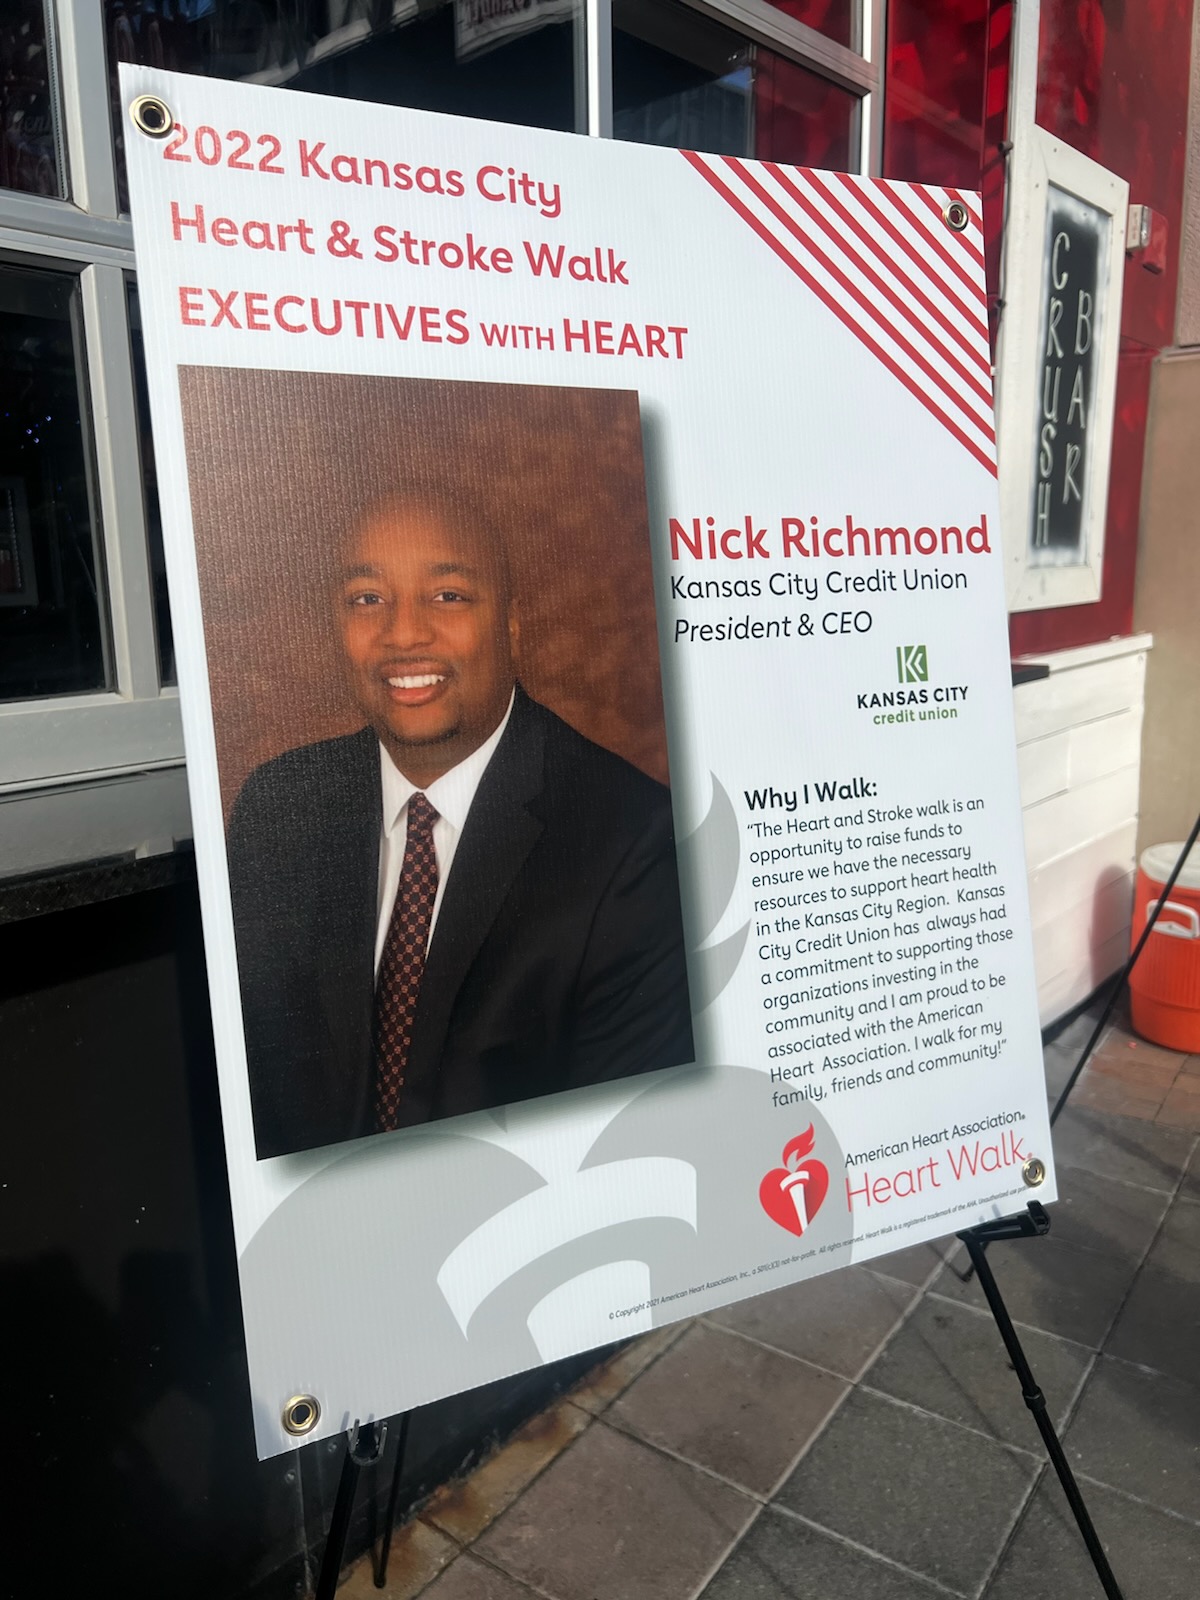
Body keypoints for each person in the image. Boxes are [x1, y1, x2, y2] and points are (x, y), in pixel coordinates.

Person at [226, 490, 694, 1159]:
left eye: (447, 596)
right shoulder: (278, 810)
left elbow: (620, 1154)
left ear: (511, 625)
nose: (402, 633)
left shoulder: (633, 841)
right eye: (367, 598)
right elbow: (256, 1100)